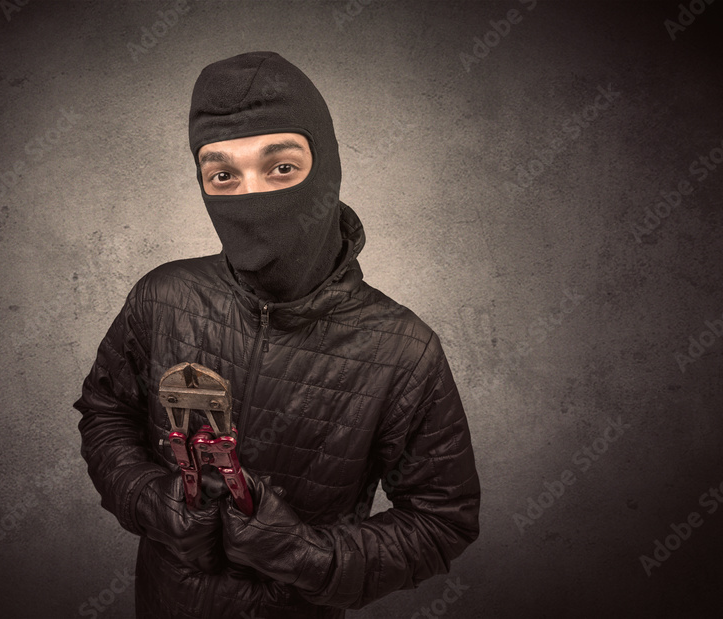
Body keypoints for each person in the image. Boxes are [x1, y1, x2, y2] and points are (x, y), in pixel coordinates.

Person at [74, 51, 480, 619]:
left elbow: (441, 521)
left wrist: (307, 556)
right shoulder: (162, 298)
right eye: (223, 175)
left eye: (282, 168)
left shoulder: (403, 350)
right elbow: (106, 413)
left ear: (328, 167)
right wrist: (150, 500)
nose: (251, 196)